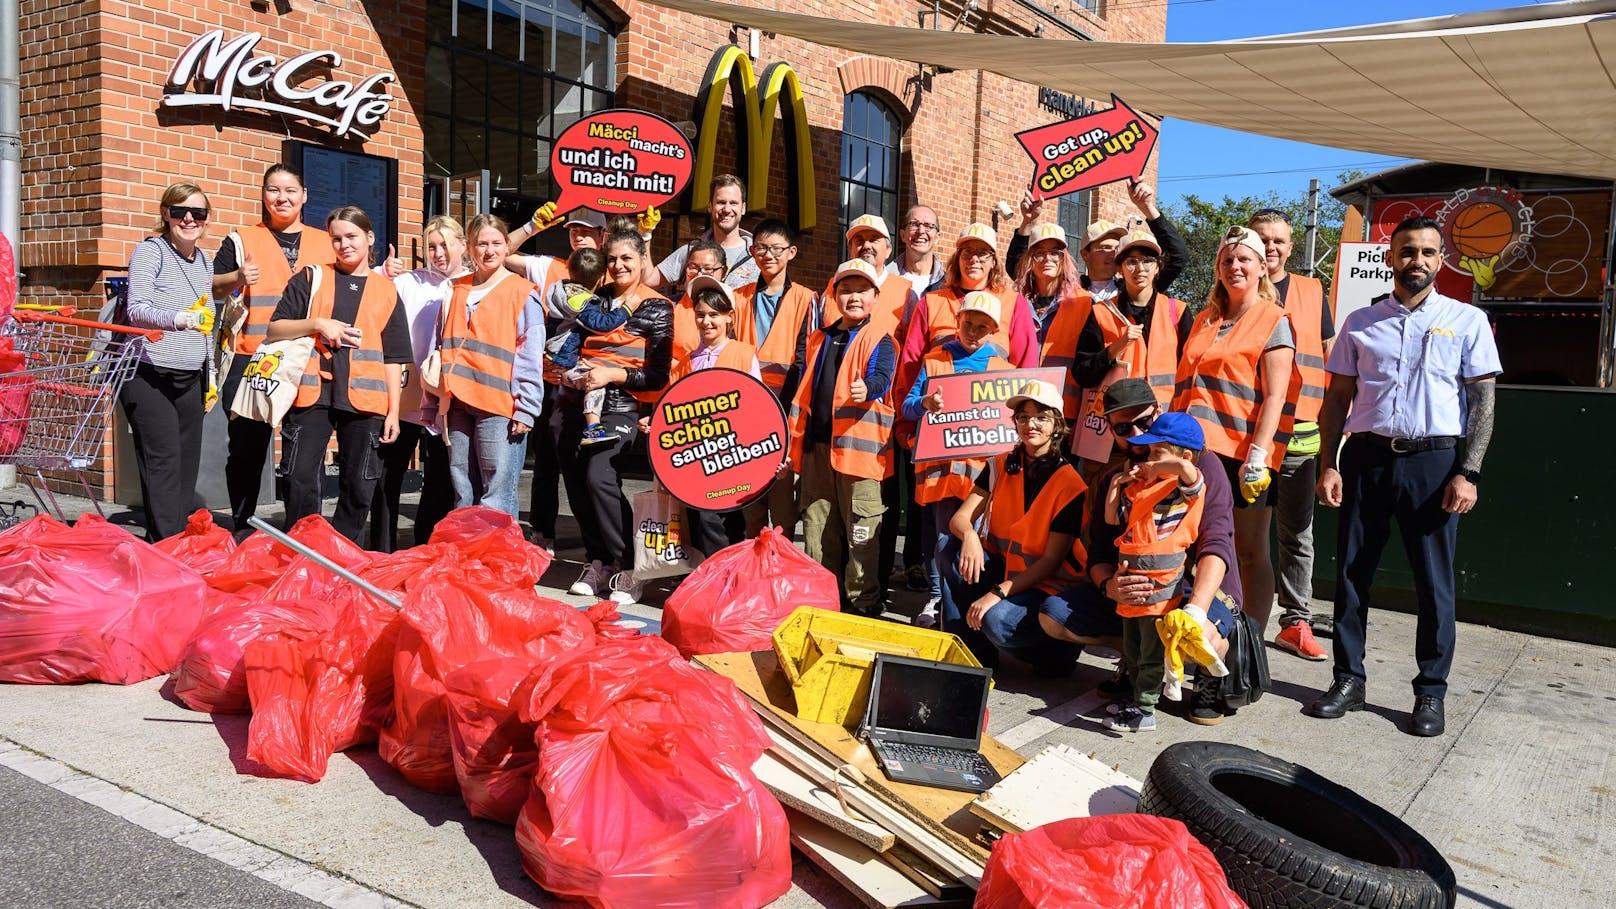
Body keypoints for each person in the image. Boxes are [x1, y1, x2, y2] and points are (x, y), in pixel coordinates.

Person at [1308, 216, 1500, 738]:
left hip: (1434, 463)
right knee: (1351, 576)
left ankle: (1430, 694)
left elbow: (1483, 404)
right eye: (1408, 251)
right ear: (1391, 258)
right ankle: (1348, 680)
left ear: (1442, 260)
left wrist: (1469, 472)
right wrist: (1329, 462)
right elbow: (1337, 400)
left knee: (1433, 584)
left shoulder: (1466, 321)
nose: (1417, 261)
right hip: (1366, 459)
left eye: (1428, 253)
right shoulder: (1359, 323)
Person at [1090, 379, 1243, 726]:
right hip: (1137, 586)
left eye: (1144, 423)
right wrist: (1108, 586)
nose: (1136, 435)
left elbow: (1216, 545)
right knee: (1057, 616)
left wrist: (1195, 610)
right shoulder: (1120, 477)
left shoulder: (1202, 467)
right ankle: (1137, 675)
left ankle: (1209, 676)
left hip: (1192, 586)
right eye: (1123, 428)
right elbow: (1099, 548)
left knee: (1193, 632)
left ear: (1159, 413)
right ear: (1111, 431)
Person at [941, 379, 1116, 675]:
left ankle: (1056, 653)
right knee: (948, 546)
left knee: (996, 621)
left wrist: (995, 593)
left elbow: (1049, 562)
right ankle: (973, 654)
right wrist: (969, 534)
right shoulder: (1000, 465)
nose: (1030, 424)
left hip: (1048, 588)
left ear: (1057, 425)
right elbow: (959, 519)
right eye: (1023, 417)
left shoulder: (1070, 484)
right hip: (1008, 571)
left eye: (1040, 417)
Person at [1172, 225, 1297, 636]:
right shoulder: (1205, 319)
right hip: (1193, 455)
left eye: (1244, 259)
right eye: (1227, 259)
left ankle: (1248, 642)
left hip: (1242, 458)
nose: (1235, 266)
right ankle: (1197, 631)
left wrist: (1258, 457)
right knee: (1191, 546)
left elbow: (1276, 397)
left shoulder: (1273, 319)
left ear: (1262, 267)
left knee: (1247, 550)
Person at [266, 206, 411, 543]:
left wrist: (393, 412)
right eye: (337, 239)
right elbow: (275, 328)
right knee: (298, 478)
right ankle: (302, 552)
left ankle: (342, 555)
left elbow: (394, 358)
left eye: (352, 237)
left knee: (359, 486)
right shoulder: (311, 277)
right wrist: (318, 324)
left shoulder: (386, 291)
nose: (344, 244)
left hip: (366, 402)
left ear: (369, 238)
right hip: (311, 394)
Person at [213, 164, 334, 539]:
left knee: (305, 456)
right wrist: (236, 278)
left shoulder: (327, 241)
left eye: (290, 191)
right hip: (254, 357)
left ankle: (303, 534)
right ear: (263, 195)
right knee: (247, 451)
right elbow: (212, 287)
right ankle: (243, 527)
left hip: (309, 358)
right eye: (273, 191)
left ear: (305, 196)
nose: (282, 198)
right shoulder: (242, 239)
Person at [554, 230, 673, 598]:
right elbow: (574, 339)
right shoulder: (597, 299)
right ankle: (599, 562)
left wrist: (613, 374)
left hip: (619, 405)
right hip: (574, 400)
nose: (619, 265)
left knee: (598, 476)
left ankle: (630, 566)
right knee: (575, 481)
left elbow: (657, 374)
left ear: (641, 261)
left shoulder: (657, 306)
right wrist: (571, 371)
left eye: (627, 259)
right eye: (612, 259)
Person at [787, 259, 897, 617]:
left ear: (874, 296)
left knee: (861, 535)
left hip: (859, 458)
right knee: (818, 532)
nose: (853, 297)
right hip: (818, 452)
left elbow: (882, 377)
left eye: (861, 290)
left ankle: (863, 604)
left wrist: (868, 388)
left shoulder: (880, 338)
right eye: (845, 290)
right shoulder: (819, 338)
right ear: (833, 296)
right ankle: (824, 600)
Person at [1249, 208, 1335, 659]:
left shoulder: (1309, 291)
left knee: (1297, 532)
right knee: (1247, 534)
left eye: (1279, 240)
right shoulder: (1236, 288)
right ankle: (1243, 621)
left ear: (1289, 245)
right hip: (1249, 431)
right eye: (1262, 238)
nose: (1270, 247)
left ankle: (1296, 621)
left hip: (1301, 432)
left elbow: (1328, 353)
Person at [901, 291, 1012, 628]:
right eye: (968, 323)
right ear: (957, 322)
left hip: (981, 474)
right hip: (939, 471)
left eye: (982, 326)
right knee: (942, 541)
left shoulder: (1003, 369)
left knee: (970, 542)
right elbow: (907, 406)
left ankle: (963, 606)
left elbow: (1011, 421)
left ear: (992, 330)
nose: (973, 331)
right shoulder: (935, 361)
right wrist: (925, 404)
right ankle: (939, 599)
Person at [1098, 412, 1212, 733]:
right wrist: (1117, 486)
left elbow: (1186, 470)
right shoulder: (1142, 489)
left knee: (1151, 651)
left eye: (1157, 452)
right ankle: (1135, 698)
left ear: (1183, 455)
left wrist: (1160, 467)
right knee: (1132, 648)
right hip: (1132, 584)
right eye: (1148, 453)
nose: (1148, 460)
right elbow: (1111, 520)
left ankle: (1145, 709)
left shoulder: (1186, 487)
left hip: (1160, 591)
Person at [118, 181, 217, 541]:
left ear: (206, 219)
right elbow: (137, 310)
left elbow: (206, 322)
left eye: (198, 213)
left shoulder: (205, 260)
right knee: (163, 461)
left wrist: (212, 377)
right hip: (148, 372)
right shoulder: (151, 252)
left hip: (190, 374)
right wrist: (178, 319)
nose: (189, 219)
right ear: (166, 214)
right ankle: (168, 544)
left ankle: (167, 541)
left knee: (186, 465)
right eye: (180, 211)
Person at [506, 205, 605, 555]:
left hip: (593, 385)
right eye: (573, 230)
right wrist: (532, 225)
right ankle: (543, 533)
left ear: (601, 236)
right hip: (551, 381)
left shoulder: (611, 273)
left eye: (587, 230)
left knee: (587, 466)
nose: (578, 235)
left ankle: (598, 543)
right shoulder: (549, 266)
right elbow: (500, 252)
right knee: (546, 462)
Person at [434, 214, 545, 521]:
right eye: (481, 243)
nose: (489, 250)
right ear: (469, 247)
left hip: (500, 406)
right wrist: (435, 401)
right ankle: (468, 562)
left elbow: (530, 354)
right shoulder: (455, 289)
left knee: (497, 493)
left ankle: (497, 564)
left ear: (507, 246)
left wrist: (527, 408)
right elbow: (440, 346)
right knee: (463, 491)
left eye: (496, 243)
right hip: (457, 401)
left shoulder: (522, 292)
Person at [369, 215, 464, 551]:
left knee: (439, 481)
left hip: (446, 401)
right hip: (406, 397)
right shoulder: (409, 282)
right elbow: (369, 296)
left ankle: (424, 551)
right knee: (387, 477)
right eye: (431, 247)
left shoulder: (471, 284)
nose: (438, 253)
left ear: (462, 245)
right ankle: (381, 550)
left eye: (445, 245)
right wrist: (381, 273)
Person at [1071, 228, 1195, 479]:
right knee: (1104, 506)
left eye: (1148, 261)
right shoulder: (1101, 313)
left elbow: (1191, 375)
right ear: (1119, 269)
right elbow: (1082, 373)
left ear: (1158, 267)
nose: (1140, 269)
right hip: (1113, 439)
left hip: (1163, 437)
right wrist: (1115, 349)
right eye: (1132, 261)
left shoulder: (1178, 313)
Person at [734, 221, 818, 539]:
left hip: (784, 413)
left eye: (776, 248)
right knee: (750, 503)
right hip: (744, 412)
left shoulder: (807, 299)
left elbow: (804, 359)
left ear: (791, 253)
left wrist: (782, 414)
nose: (768, 255)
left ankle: (779, 572)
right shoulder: (738, 298)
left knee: (782, 507)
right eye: (761, 248)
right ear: (752, 251)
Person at [663, 274, 758, 558]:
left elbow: (755, 406)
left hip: (731, 455)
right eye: (700, 315)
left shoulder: (744, 354)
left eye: (714, 315)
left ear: (730, 317)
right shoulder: (686, 362)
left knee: (724, 520)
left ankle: (723, 575)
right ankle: (710, 575)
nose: (706, 322)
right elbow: (674, 410)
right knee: (699, 519)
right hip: (695, 455)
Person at [897, 223, 1039, 401]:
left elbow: (1026, 368)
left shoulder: (1014, 303)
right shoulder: (930, 303)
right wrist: (905, 425)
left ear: (994, 260)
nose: (974, 259)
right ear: (958, 258)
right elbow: (910, 368)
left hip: (992, 417)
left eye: (982, 253)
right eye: (967, 252)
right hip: (937, 416)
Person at [1011, 182, 1187, 305]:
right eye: (1104, 248)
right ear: (1085, 255)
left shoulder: (1135, 287)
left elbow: (1178, 257)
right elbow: (1018, 269)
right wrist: (1028, 222)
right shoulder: (1067, 289)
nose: (1113, 254)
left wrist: (1147, 208)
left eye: (1116, 248)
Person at [1012, 222, 1093, 425]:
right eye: (1039, 253)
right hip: (1021, 410)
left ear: (1064, 258)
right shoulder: (1013, 302)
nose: (1047, 258)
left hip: (1065, 414)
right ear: (1029, 259)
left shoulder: (1085, 303)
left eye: (1055, 252)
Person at [543, 248, 619, 446]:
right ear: (602, 276)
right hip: (563, 362)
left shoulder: (562, 288)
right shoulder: (583, 302)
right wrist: (627, 310)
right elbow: (602, 325)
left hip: (553, 356)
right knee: (595, 380)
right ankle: (593, 429)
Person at [645, 174, 760, 291]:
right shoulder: (692, 250)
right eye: (721, 202)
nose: (726, 209)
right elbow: (648, 280)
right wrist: (645, 234)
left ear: (743, 208)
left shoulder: (758, 255)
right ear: (710, 206)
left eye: (733, 203)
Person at [824, 215, 917, 329]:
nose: (866, 245)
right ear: (850, 249)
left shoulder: (906, 294)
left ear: (888, 250)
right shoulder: (832, 289)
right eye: (859, 241)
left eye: (874, 240)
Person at [891, 205, 947, 297]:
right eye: (914, 224)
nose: (921, 231)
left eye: (928, 226)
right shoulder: (883, 280)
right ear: (903, 235)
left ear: (937, 237)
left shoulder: (949, 286)